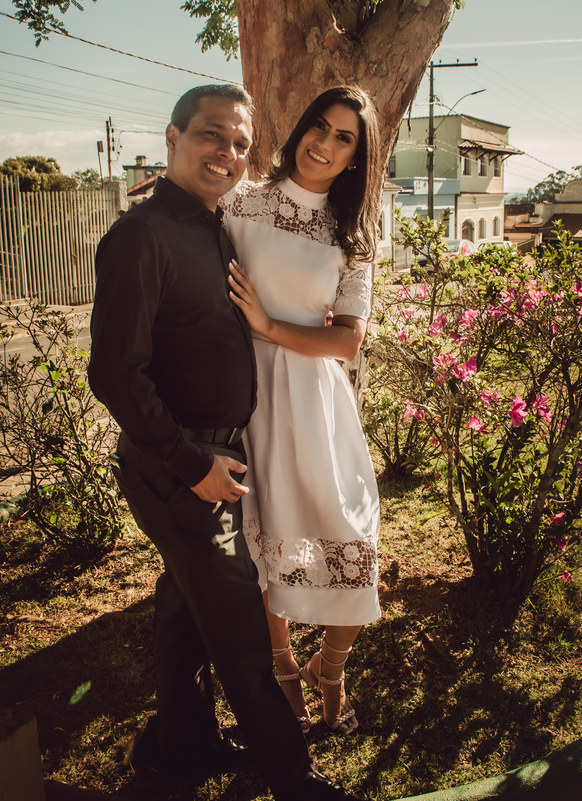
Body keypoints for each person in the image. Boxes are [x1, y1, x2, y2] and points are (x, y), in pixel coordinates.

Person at [88, 84, 359, 801]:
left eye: (240, 143)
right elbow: (114, 372)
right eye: (212, 135)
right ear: (173, 136)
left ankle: (179, 744)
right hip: (179, 464)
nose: (228, 154)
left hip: (218, 453)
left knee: (182, 603)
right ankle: (294, 779)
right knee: (240, 625)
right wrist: (191, 463)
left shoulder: (213, 225)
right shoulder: (141, 236)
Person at [221, 86, 382, 736]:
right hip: (247, 395)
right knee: (269, 535)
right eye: (321, 125)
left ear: (356, 157)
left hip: (318, 400)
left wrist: (268, 323)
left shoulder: (353, 234)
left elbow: (347, 339)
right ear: (301, 127)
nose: (326, 143)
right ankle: (282, 665)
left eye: (345, 137)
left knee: (354, 539)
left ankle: (331, 665)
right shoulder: (241, 203)